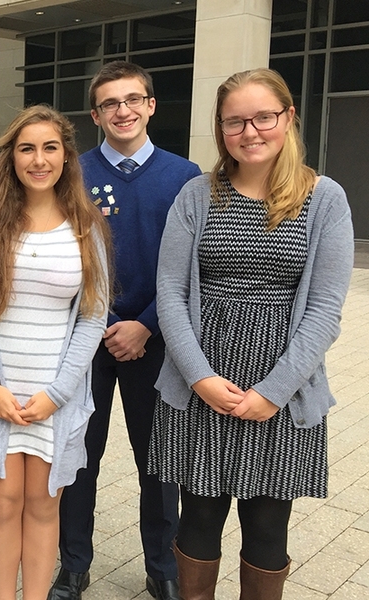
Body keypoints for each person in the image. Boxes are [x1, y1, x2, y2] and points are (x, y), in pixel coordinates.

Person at [149, 68, 353, 599]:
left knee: (266, 527)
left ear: (288, 118)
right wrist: (198, 377)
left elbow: (327, 309)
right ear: (221, 129)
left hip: (283, 385)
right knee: (197, 519)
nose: (250, 130)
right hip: (202, 381)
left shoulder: (324, 198)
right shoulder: (198, 195)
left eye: (264, 116)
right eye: (235, 121)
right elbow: (170, 292)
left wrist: (274, 392)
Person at [49, 61, 200, 600]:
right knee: (77, 456)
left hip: (158, 341)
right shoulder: (71, 172)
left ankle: (162, 567)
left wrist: (145, 324)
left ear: (151, 105)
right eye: (110, 103)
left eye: (133, 99)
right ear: (95, 114)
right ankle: (73, 564)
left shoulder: (185, 177)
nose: (123, 110)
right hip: (85, 341)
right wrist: (106, 323)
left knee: (157, 462)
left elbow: (191, 268)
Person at [0, 105, 111, 600]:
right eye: (26, 148)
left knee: (43, 506)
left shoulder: (85, 223)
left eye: (49, 148)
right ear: (12, 157)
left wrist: (58, 393)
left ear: (66, 156)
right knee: (1, 504)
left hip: (53, 399)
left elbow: (94, 315)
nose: (38, 160)